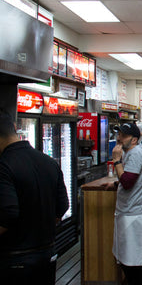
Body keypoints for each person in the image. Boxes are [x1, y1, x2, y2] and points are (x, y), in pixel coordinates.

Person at [0, 112, 69, 285]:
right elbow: (62, 206)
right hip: (47, 255)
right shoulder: (48, 161)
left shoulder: (3, 165)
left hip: (14, 261)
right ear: (15, 129)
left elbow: (7, 213)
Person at [102, 123, 142, 284]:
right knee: (131, 259)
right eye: (119, 134)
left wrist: (116, 161)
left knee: (133, 263)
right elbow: (130, 179)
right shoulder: (132, 152)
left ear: (134, 140)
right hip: (130, 212)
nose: (118, 138)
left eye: (123, 135)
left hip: (133, 214)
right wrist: (116, 184)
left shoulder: (135, 154)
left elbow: (128, 182)